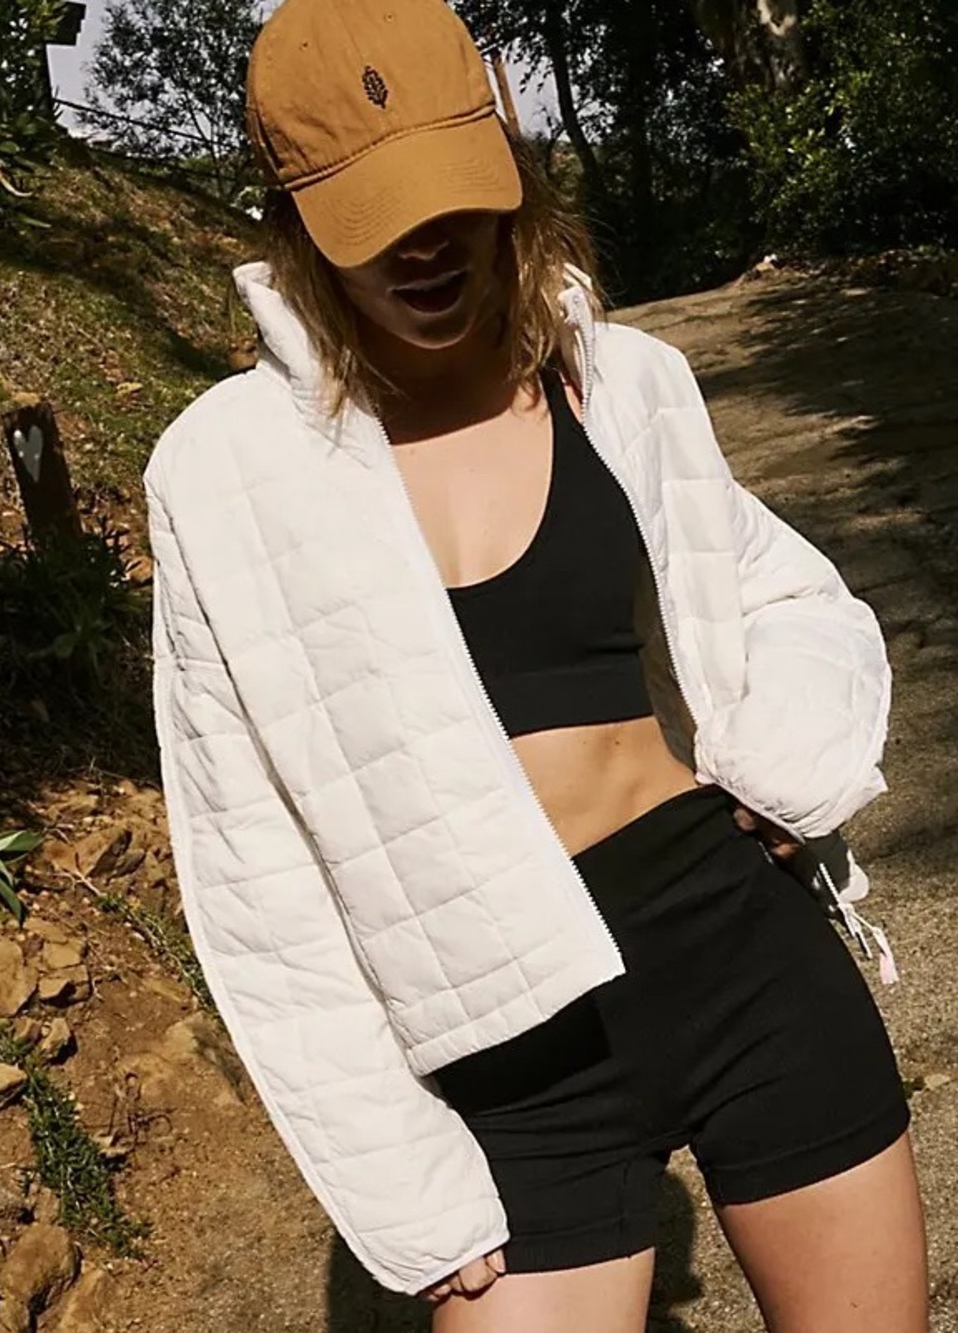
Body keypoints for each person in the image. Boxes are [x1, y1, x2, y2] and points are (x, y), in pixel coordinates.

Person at [144, 0, 928, 1328]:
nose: (426, 242)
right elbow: (250, 861)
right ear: (293, 220)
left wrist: (780, 767)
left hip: (742, 954)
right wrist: (399, 1177)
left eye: (451, 193)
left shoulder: (620, 380)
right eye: (376, 214)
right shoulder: (224, 474)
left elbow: (780, 590)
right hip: (515, 1068)